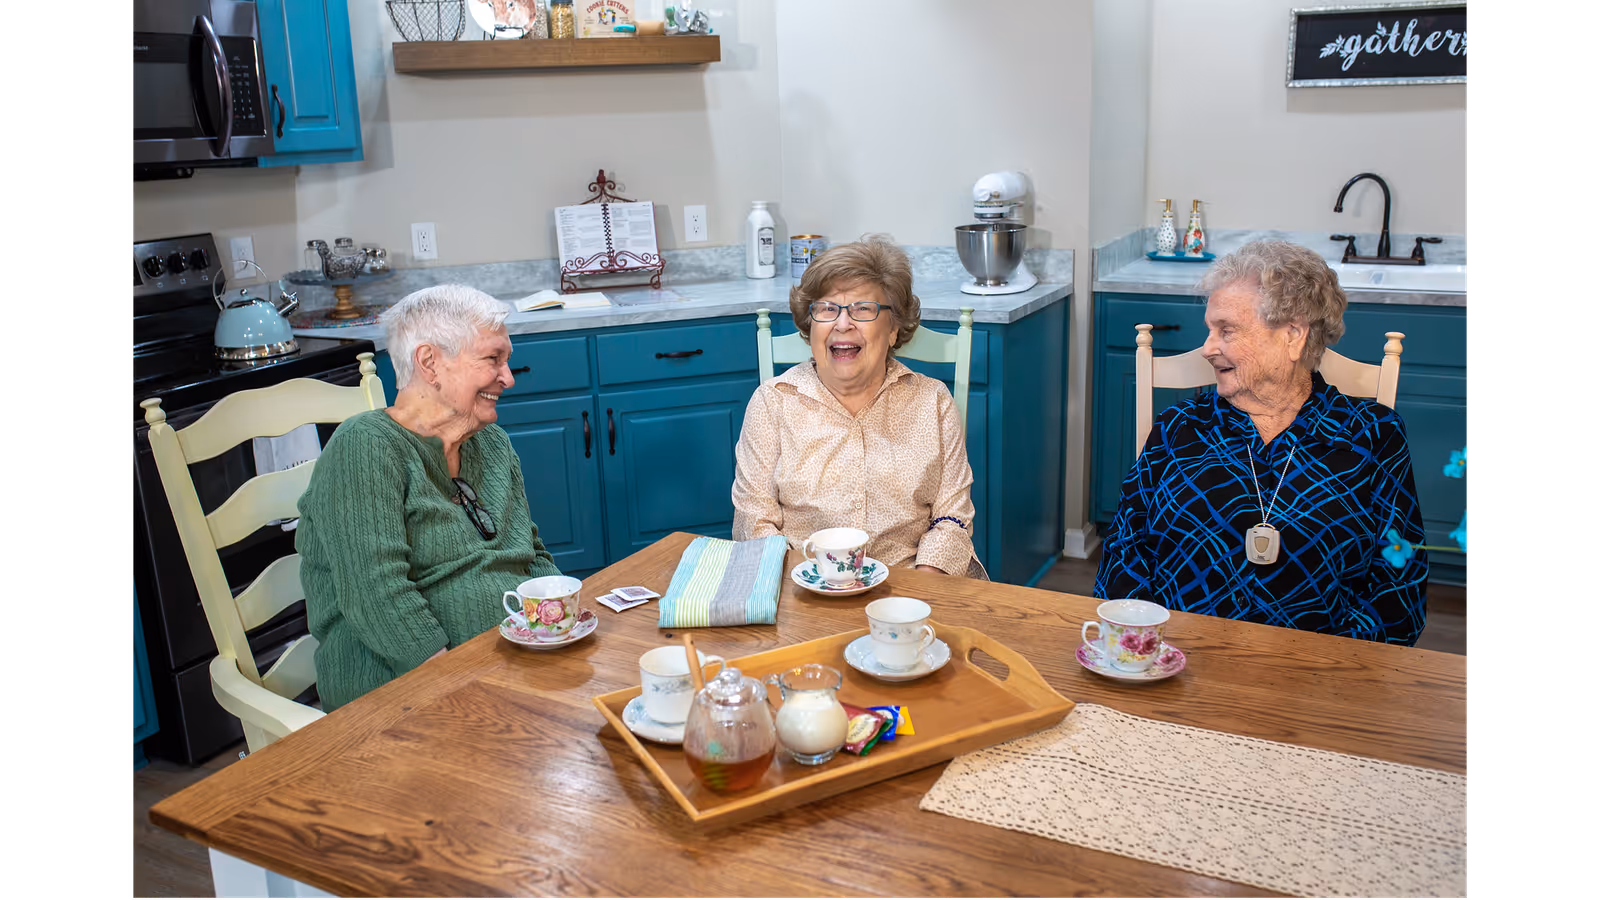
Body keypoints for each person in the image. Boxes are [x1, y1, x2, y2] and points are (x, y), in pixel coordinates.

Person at [1094, 240, 1427, 644]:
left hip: (1315, 683)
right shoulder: (1178, 429)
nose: (1208, 348)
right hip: (1175, 667)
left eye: (1227, 331)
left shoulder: (1373, 435)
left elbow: (1401, 585)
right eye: (1209, 330)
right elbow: (1122, 559)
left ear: (1292, 336)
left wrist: (1330, 666)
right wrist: (1150, 650)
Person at [297, 284, 561, 710]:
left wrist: (560, 633)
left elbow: (532, 553)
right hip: (405, 693)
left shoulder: (491, 443)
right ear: (430, 363)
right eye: (493, 359)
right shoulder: (365, 446)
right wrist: (462, 691)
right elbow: (377, 597)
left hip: (513, 669)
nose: (508, 378)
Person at [732, 236, 984, 578]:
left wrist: (916, 597)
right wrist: (808, 586)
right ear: (810, 326)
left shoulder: (933, 401)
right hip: (804, 588)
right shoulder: (772, 403)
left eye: (863, 309)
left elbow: (951, 519)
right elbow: (753, 522)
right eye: (826, 308)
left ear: (893, 328)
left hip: (913, 584)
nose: (842, 323)